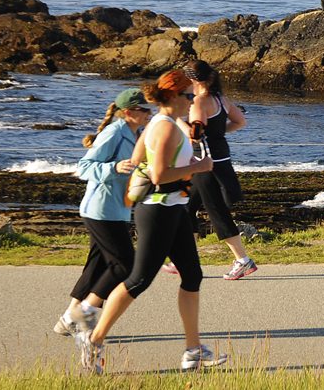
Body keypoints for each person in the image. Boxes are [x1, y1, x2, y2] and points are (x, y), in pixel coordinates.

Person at [74, 70, 227, 374]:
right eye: (189, 95)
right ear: (172, 96)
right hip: (158, 210)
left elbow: (137, 158)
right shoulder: (165, 127)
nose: (193, 100)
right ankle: (93, 338)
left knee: (192, 276)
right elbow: (158, 175)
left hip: (173, 207)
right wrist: (199, 167)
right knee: (138, 279)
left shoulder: (160, 123)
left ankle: (193, 351)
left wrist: (183, 164)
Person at [53, 88, 151, 339]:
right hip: (100, 209)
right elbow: (84, 167)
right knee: (125, 265)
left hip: (118, 209)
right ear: (128, 112)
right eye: (143, 109)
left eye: (149, 108)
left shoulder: (137, 133)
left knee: (98, 265)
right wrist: (114, 168)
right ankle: (80, 314)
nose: (149, 112)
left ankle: (67, 319)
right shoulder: (114, 133)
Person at [181, 59, 256, 280]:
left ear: (193, 80)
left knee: (217, 212)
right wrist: (216, 133)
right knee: (187, 206)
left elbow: (195, 135)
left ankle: (243, 260)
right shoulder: (220, 99)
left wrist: (174, 119)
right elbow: (240, 122)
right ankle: (186, 259)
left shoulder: (199, 102)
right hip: (219, 158)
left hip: (206, 163)